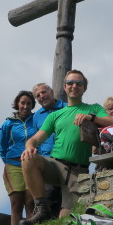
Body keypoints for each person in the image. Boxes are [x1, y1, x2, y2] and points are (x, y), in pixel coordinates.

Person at [19, 70, 113, 225]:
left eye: (79, 83)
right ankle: (42, 209)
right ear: (64, 87)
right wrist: (29, 147)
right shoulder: (55, 115)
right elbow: (35, 139)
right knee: (28, 159)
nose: (74, 86)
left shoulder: (94, 108)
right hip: (55, 164)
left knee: (66, 221)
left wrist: (91, 117)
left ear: (84, 88)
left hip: (78, 171)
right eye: (70, 83)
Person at [0, 90, 37, 225]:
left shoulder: (36, 120)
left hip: (32, 165)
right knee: (16, 204)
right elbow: (2, 147)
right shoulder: (8, 123)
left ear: (32, 105)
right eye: (22, 103)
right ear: (17, 104)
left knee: (30, 203)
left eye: (29, 103)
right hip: (13, 165)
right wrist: (9, 160)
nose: (25, 106)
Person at [32, 82, 66, 217]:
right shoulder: (37, 116)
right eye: (38, 95)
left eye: (44, 92)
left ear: (51, 92)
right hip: (47, 160)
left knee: (67, 199)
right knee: (50, 198)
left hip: (66, 158)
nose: (42, 96)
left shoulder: (66, 107)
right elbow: (37, 139)